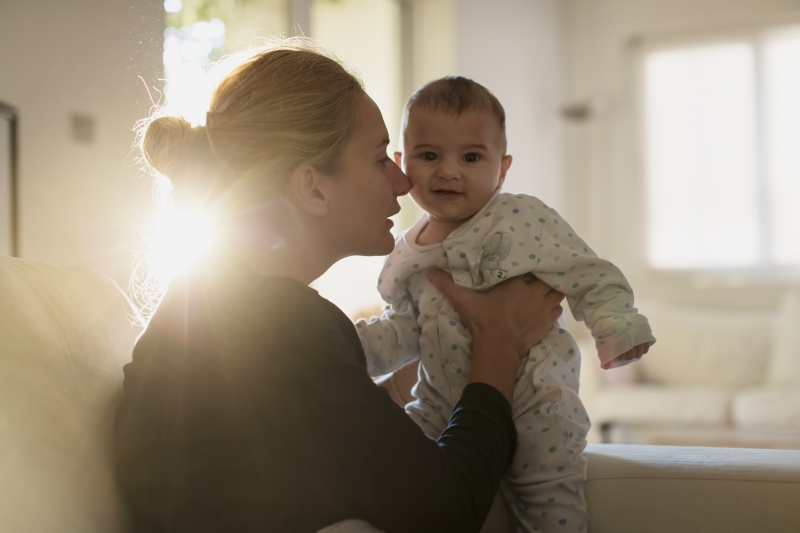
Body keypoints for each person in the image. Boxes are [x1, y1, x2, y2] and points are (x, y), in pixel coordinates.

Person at [113, 40, 566, 533]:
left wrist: (422, 368)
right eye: (378, 159)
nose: (402, 181)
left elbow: (323, 440)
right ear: (312, 188)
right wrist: (500, 344)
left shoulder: (211, 306)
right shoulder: (283, 324)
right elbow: (445, 508)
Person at [354, 77, 657, 532]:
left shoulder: (521, 219)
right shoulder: (403, 251)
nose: (449, 171)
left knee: (548, 494)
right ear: (402, 163)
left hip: (534, 395)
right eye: (429, 155)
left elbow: (590, 274)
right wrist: (346, 347)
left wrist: (616, 326)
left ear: (502, 168)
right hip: (439, 400)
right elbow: (402, 331)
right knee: (391, 475)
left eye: (471, 157)